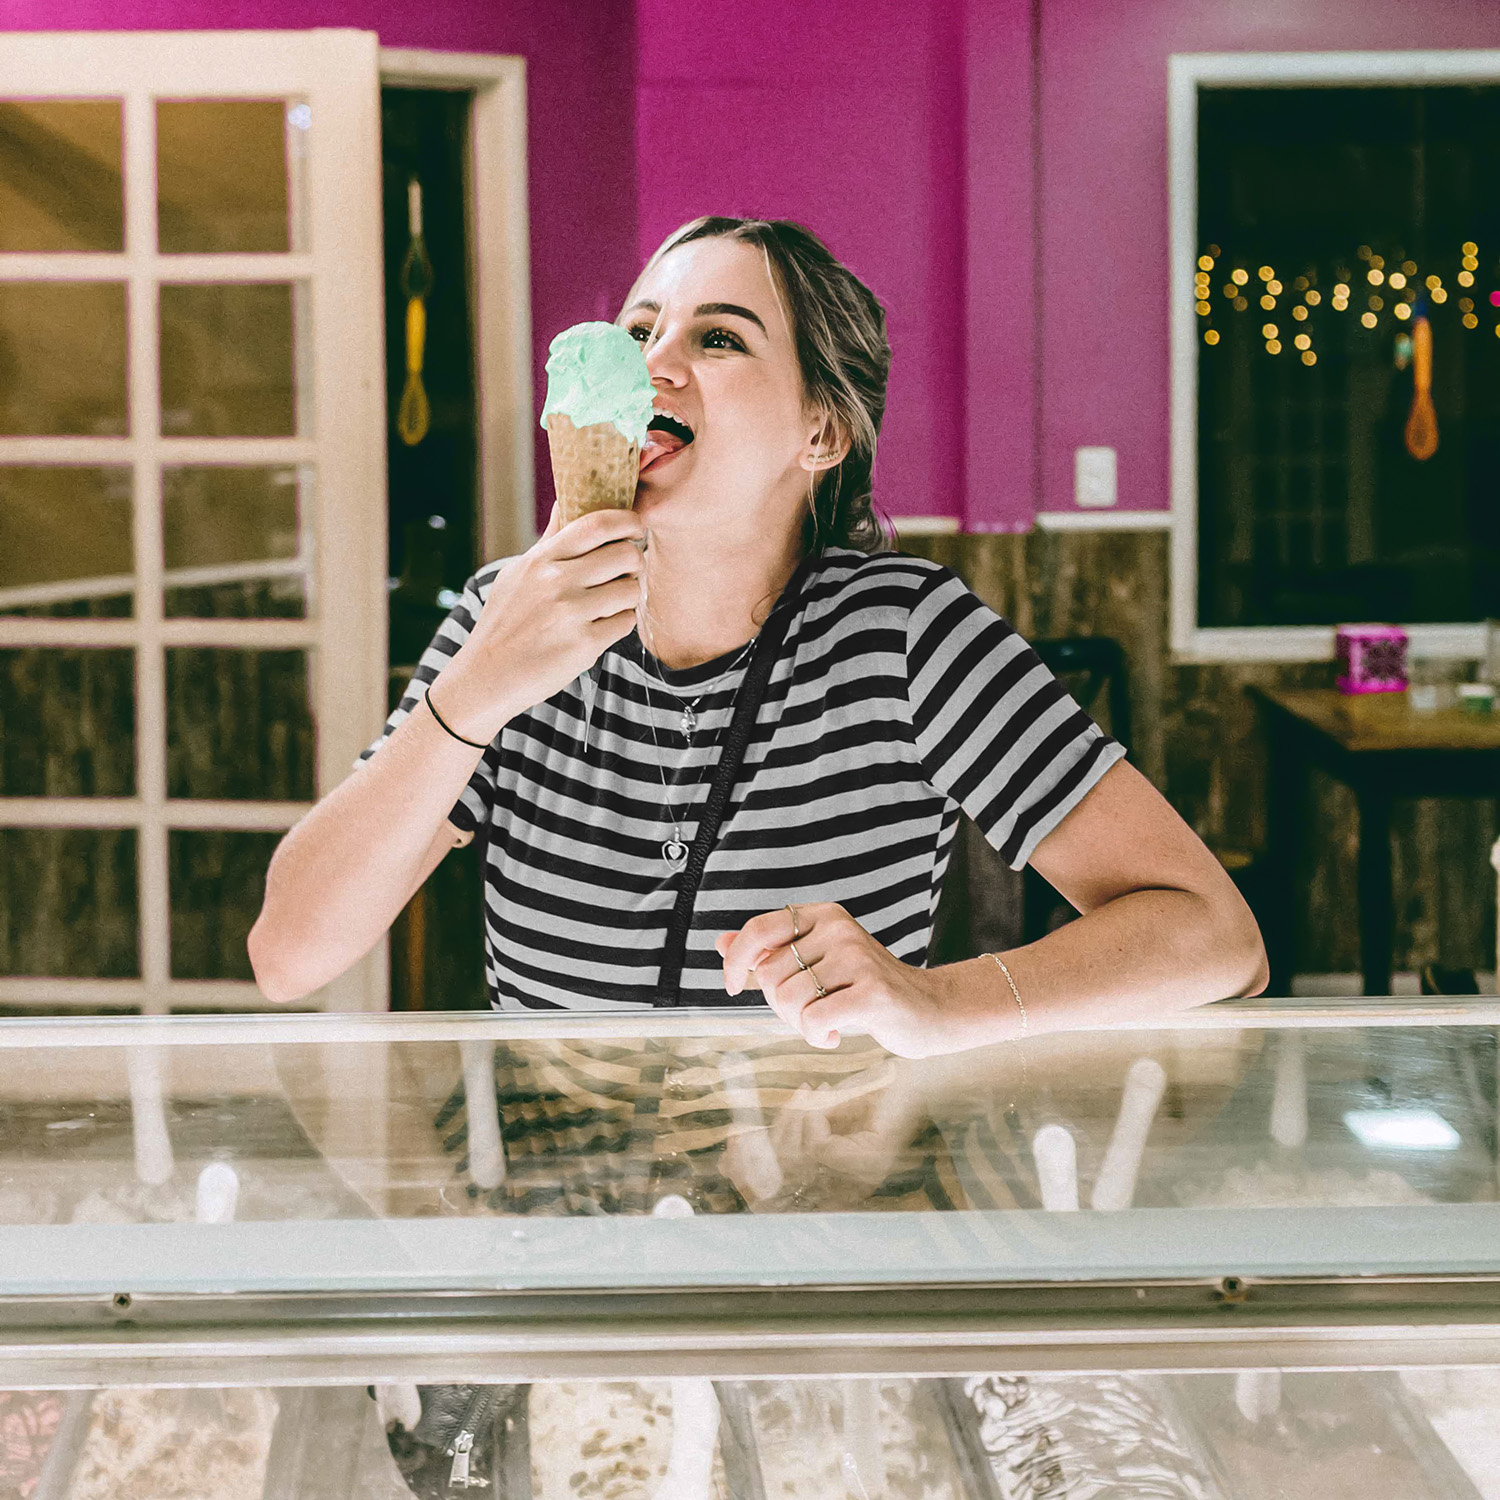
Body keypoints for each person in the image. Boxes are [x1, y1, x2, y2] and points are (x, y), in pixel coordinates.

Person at [249, 216, 1266, 1057]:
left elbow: (1215, 938)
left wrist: (937, 1003)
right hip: (566, 1248)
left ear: (821, 433)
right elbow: (287, 954)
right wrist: (470, 697)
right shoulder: (499, 623)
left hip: (821, 1240)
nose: (657, 362)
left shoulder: (903, 637)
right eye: (640, 329)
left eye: (719, 338)